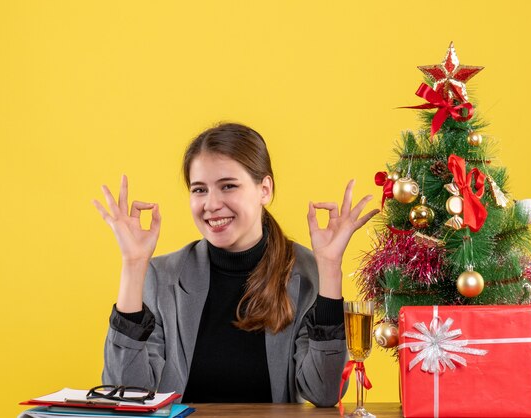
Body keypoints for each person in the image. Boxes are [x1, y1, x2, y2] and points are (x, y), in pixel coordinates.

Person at [93, 122, 379, 406]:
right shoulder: (161, 276)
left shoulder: (305, 272)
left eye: (228, 186)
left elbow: (324, 392)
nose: (212, 204)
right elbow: (127, 395)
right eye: (199, 190)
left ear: (264, 189)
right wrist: (133, 265)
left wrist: (329, 267)